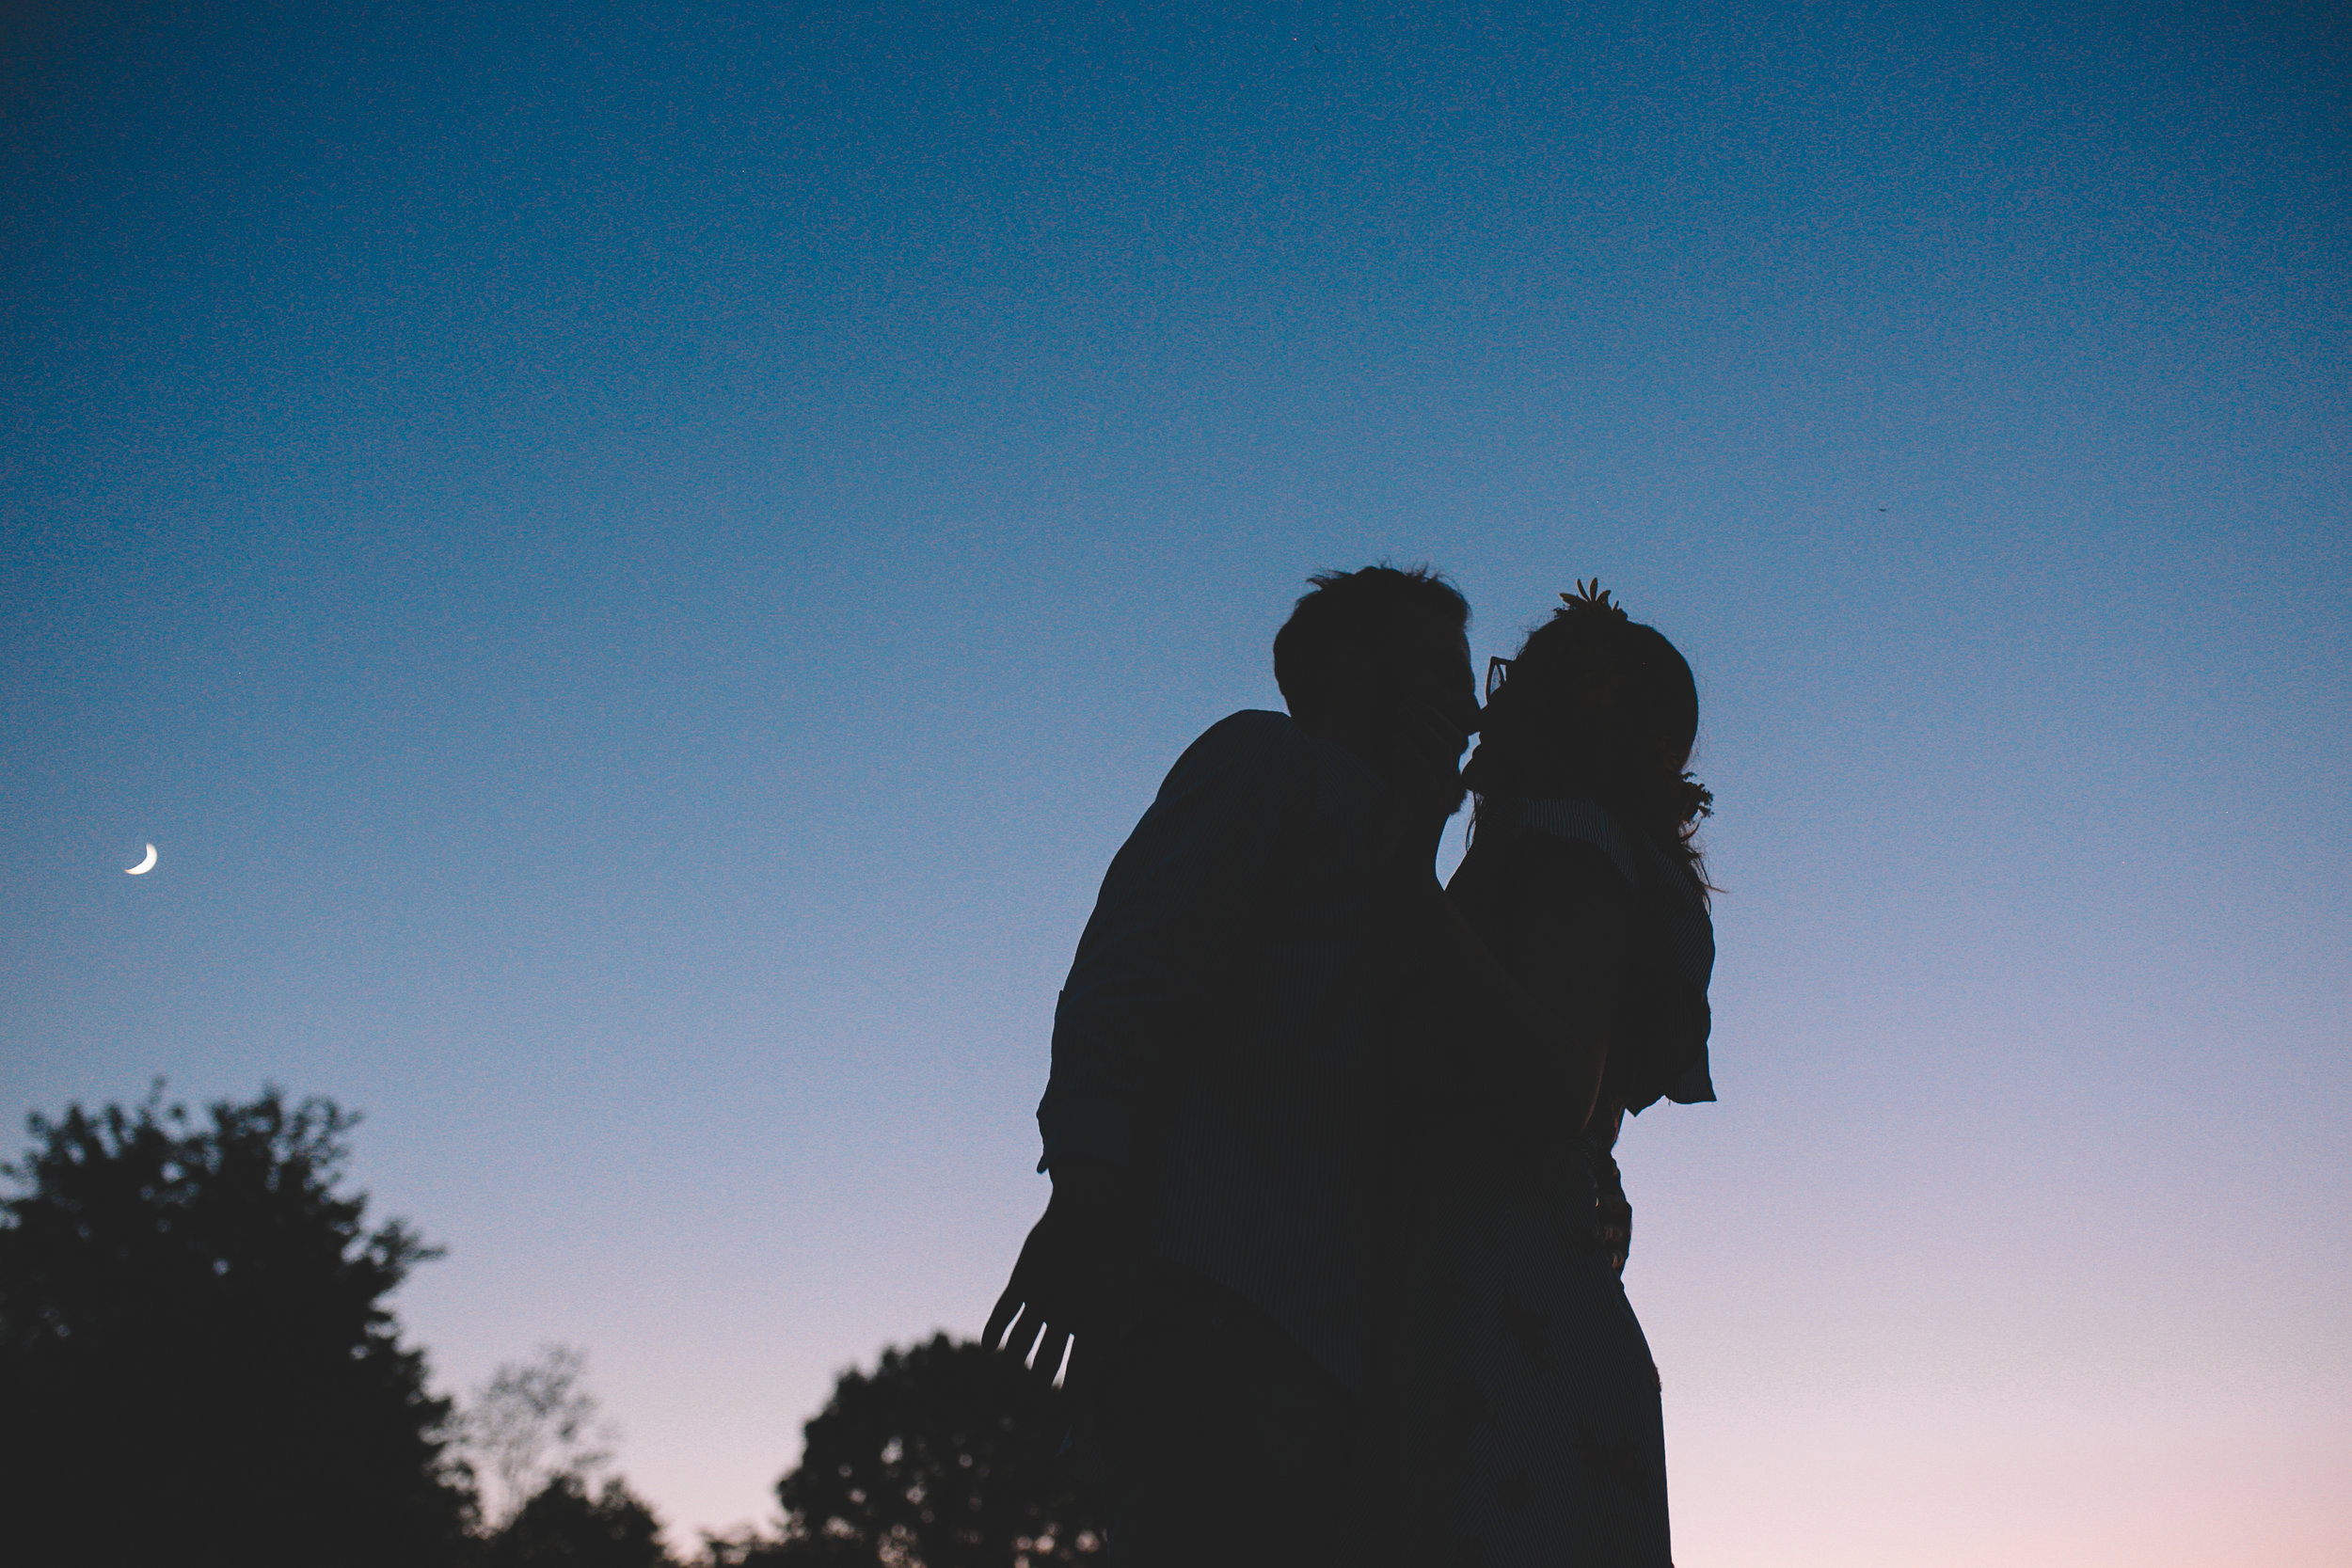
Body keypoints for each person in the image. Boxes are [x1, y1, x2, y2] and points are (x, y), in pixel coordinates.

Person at [985, 564, 1481, 1566]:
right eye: (1435, 674)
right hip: (1215, 1302)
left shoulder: (1406, 854)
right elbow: (1132, 972)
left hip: (1333, 1351)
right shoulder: (1269, 760)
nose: (1467, 708)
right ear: (1345, 671)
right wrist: (1085, 1193)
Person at [1377, 580, 1717, 1565]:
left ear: (1564, 716)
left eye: (1511, 686)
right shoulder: (1568, 848)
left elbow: (1548, 1079)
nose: (1485, 706)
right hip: (1515, 1301)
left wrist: (1402, 878)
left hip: (1501, 1323)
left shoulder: (1564, 843)